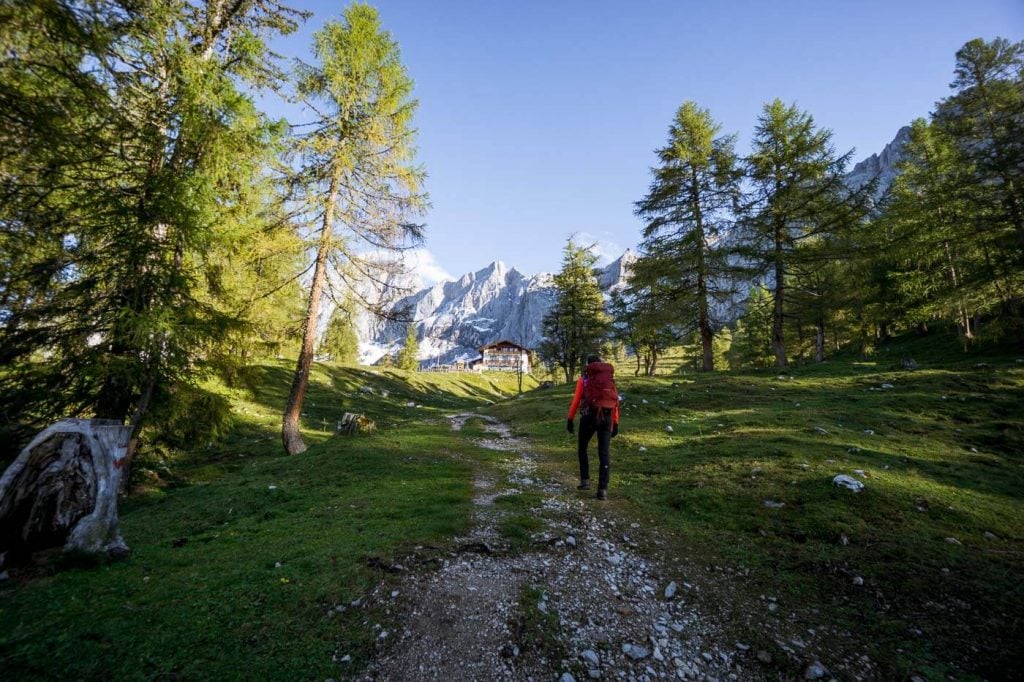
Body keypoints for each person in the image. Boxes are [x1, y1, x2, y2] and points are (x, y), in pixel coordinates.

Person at [566, 354, 619, 500]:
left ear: (588, 366)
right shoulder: (610, 380)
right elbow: (615, 401)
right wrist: (615, 422)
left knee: (582, 448)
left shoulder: (584, 380)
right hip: (607, 416)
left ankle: (585, 481)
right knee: (604, 453)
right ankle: (603, 490)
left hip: (589, 416)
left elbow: (576, 400)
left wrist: (570, 419)